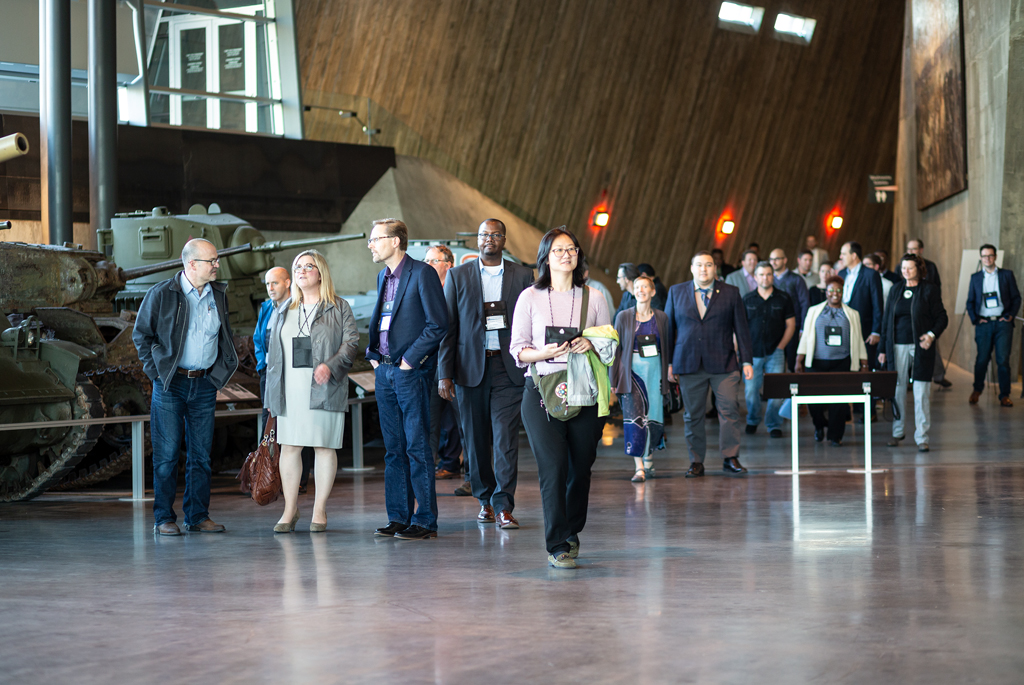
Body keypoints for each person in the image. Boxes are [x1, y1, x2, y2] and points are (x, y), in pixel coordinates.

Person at [511, 227, 613, 569]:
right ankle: (557, 543)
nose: (565, 254)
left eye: (571, 249)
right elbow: (518, 350)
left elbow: (609, 344)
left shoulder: (594, 298)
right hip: (540, 391)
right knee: (552, 468)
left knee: (580, 468)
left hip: (584, 391)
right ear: (546, 257)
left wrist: (592, 344)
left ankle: (571, 529)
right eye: (557, 250)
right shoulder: (529, 298)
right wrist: (544, 353)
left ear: (578, 255)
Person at [133, 239, 237, 536]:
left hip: (204, 384)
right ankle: (164, 517)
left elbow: (224, 337)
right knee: (166, 455)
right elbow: (141, 336)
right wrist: (157, 373)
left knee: (201, 456)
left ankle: (197, 516)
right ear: (191, 264)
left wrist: (218, 374)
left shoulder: (219, 294)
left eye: (216, 260)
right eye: (212, 261)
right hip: (170, 384)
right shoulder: (161, 294)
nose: (217, 265)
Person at [439, 219, 534, 529]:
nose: (489, 239)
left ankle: (504, 504)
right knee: (476, 440)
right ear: (477, 240)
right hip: (469, 370)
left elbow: (531, 323)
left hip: (508, 369)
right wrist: (445, 373)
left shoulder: (522, 275)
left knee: (506, 439)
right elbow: (449, 327)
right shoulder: (457, 275)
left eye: (495, 234)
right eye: (484, 234)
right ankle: (484, 501)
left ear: (504, 239)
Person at [264, 250, 359, 533]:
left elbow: (351, 344)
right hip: (289, 387)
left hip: (324, 385)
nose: (302, 271)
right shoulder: (282, 308)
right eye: (298, 267)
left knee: (323, 446)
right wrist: (271, 395)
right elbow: (272, 355)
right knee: (290, 446)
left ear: (321, 273)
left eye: (309, 266)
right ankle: (290, 509)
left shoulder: (338, 306)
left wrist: (331, 366)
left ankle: (319, 510)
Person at [366, 219, 449, 540]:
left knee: (416, 447)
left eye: (376, 239)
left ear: (396, 241)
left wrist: (409, 361)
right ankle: (399, 516)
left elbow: (437, 324)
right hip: (384, 372)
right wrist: (374, 356)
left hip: (409, 373)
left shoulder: (421, 273)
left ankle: (425, 519)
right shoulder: (382, 276)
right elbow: (384, 322)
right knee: (393, 448)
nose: (371, 245)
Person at [666, 251, 754, 478]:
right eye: (699, 265)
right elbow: (668, 331)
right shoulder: (676, 292)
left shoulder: (731, 293)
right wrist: (668, 363)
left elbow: (741, 329)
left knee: (729, 411)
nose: (704, 269)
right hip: (688, 363)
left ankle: (730, 457)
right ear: (691, 268)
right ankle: (696, 461)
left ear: (715, 268)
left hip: (724, 364)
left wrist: (746, 360)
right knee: (692, 415)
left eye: (708, 265)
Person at [878, 254, 948, 453]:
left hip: (921, 347)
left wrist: (931, 335)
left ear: (919, 269)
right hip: (896, 346)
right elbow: (886, 321)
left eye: (910, 268)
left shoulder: (929, 290)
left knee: (921, 393)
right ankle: (898, 431)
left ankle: (922, 437)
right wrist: (883, 348)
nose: (906, 272)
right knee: (898, 390)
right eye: (903, 268)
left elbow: (942, 317)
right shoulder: (896, 290)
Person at [611, 275, 673, 482]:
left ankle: (649, 459)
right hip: (631, 375)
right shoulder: (623, 317)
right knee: (635, 419)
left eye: (645, 286)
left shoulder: (662, 318)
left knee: (653, 416)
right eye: (637, 287)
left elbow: (667, 348)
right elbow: (616, 350)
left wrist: (669, 374)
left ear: (653, 292)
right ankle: (639, 467)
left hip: (655, 373)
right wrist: (613, 381)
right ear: (633, 291)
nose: (641, 290)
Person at [796, 276, 869, 445]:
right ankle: (819, 425)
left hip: (841, 362)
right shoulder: (814, 311)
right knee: (814, 401)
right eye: (831, 290)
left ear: (843, 292)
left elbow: (858, 339)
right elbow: (806, 336)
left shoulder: (852, 314)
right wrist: (799, 360)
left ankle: (835, 436)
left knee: (840, 402)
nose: (835, 294)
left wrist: (864, 362)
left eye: (838, 290)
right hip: (816, 363)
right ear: (826, 292)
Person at [423, 245, 465, 483]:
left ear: (448, 265)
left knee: (464, 422)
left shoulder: (458, 289)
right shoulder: (424, 290)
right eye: (426, 260)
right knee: (430, 424)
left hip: (457, 367)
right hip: (429, 368)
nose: (428, 265)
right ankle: (428, 477)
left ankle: (471, 476)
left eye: (434, 261)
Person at [742, 262, 796, 438]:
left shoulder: (784, 298)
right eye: (761, 275)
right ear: (755, 277)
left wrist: (781, 346)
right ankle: (752, 420)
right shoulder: (747, 299)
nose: (765, 278)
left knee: (777, 391)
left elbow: (791, 325)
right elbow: (740, 328)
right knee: (751, 390)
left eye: (768, 274)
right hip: (752, 353)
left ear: (773, 276)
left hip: (776, 352)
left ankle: (773, 423)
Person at [965, 244, 1021, 406]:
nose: (987, 259)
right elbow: (970, 302)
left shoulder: (1006, 275)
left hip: (1003, 323)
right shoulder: (975, 278)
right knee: (982, 359)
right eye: (984, 256)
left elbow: (1016, 297)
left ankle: (1004, 395)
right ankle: (977, 390)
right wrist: (976, 319)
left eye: (990, 255)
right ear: (980, 258)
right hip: (984, 324)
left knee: (1003, 360)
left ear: (995, 257)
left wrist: (1010, 316)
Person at [906, 238, 950, 388]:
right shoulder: (903, 265)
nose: (911, 252)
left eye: (914, 249)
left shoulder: (930, 266)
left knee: (930, 344)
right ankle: (912, 378)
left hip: (928, 311)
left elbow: (937, 287)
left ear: (921, 250)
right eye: (909, 249)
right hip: (910, 312)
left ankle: (937, 375)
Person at [837, 241, 884, 369]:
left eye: (844, 254)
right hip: (843, 327)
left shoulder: (870, 274)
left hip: (865, 328)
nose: (840, 257)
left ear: (854, 256)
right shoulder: (841, 274)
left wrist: (876, 331)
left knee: (865, 363)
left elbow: (877, 304)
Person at [255, 267, 291, 426]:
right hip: (269, 373)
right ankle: (267, 452)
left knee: (292, 421)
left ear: (287, 283)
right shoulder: (266, 308)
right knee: (268, 422)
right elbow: (258, 339)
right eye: (267, 284)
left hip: (290, 373)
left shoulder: (299, 307)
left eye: (275, 283)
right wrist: (262, 365)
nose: (270, 288)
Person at [768, 248, 809, 371]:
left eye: (777, 259)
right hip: (774, 327)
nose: (773, 262)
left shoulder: (797, 279)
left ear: (785, 260)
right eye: (771, 259)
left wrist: (803, 327)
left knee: (792, 362)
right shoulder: (768, 279)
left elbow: (805, 303)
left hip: (794, 327)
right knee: (775, 362)